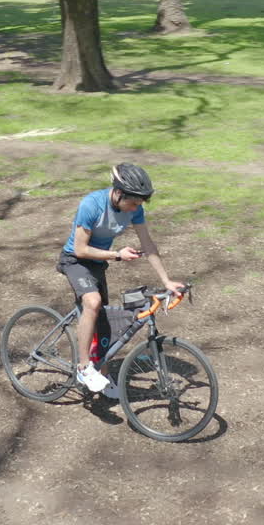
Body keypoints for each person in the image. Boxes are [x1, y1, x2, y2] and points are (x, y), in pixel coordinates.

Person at [58, 163, 185, 396]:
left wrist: (166, 280)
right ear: (118, 193)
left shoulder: (134, 209)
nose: (135, 208)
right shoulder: (91, 205)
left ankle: (103, 375)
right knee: (93, 303)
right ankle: (83, 367)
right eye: (133, 203)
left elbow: (147, 243)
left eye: (139, 204)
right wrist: (117, 254)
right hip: (75, 260)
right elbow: (80, 249)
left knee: (103, 320)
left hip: (98, 262)